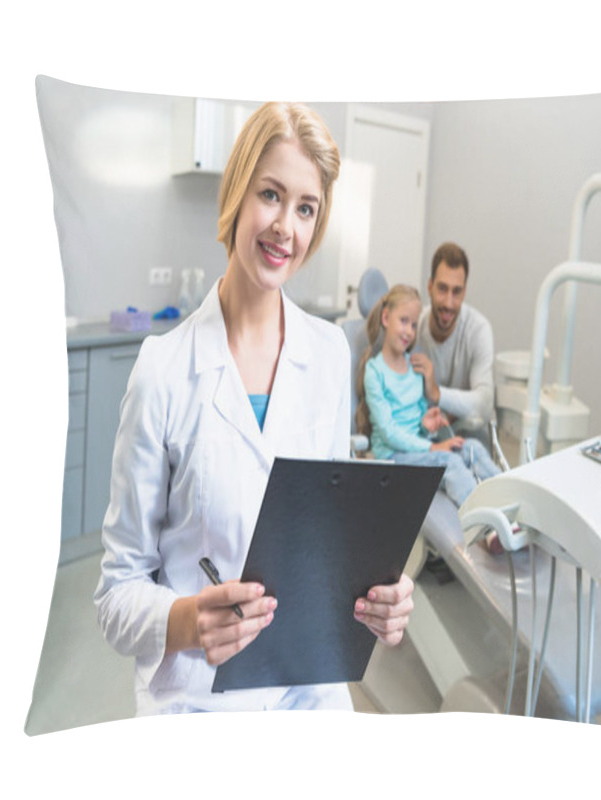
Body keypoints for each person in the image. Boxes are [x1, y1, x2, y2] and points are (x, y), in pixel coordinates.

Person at [94, 102, 414, 715]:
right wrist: (188, 620)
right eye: (270, 194)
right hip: (197, 701)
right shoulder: (164, 370)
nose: (284, 228)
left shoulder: (326, 353)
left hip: (307, 687)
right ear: (238, 193)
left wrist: (380, 596)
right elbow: (116, 596)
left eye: (305, 208)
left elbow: (331, 542)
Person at [355, 284, 500, 509]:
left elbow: (417, 421)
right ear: (386, 317)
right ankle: (485, 522)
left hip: (418, 450)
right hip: (393, 458)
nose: (409, 331)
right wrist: (433, 448)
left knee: (472, 447)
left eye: (413, 325)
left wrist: (425, 423)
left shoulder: (414, 366)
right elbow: (390, 432)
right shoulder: (375, 372)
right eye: (403, 321)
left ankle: (511, 501)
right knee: (448, 460)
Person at [411, 242, 495, 446]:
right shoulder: (412, 332)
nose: (449, 302)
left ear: (464, 292)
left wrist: (437, 393)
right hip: (424, 434)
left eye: (456, 291)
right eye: (442, 289)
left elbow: (484, 403)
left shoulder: (478, 330)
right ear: (429, 286)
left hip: (469, 431)